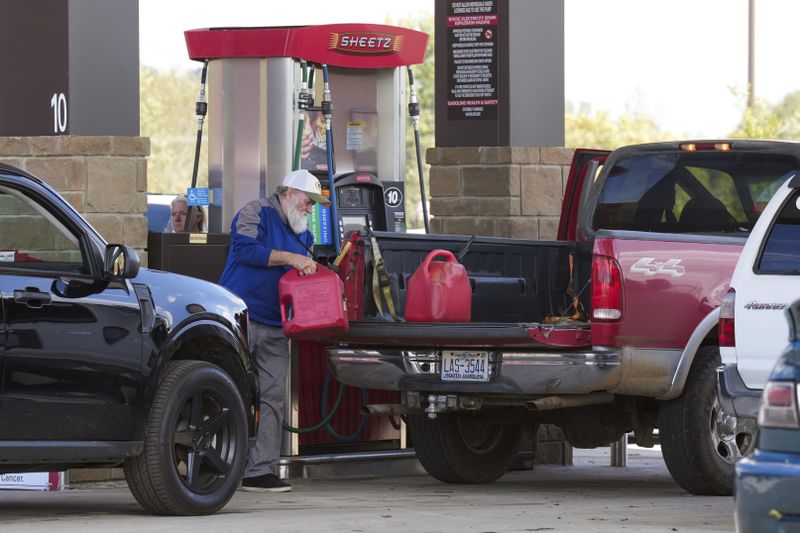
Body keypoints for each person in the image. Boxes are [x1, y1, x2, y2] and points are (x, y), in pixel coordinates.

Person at [218, 169, 330, 493]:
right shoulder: (256, 212)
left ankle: (260, 471)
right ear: (291, 193)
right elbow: (245, 251)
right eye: (310, 202)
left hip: (277, 326)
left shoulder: (304, 236)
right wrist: (293, 257)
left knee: (271, 398)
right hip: (240, 317)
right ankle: (220, 465)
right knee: (229, 391)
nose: (312, 210)